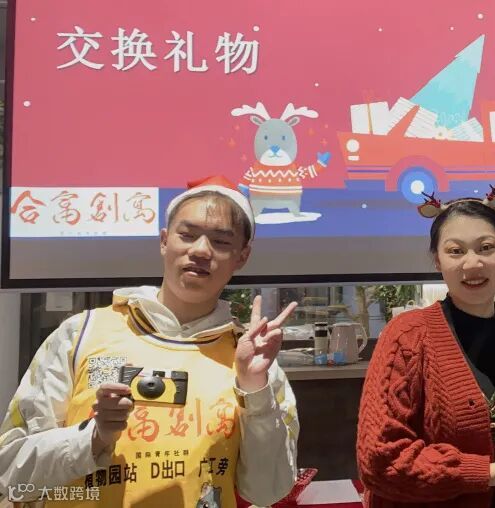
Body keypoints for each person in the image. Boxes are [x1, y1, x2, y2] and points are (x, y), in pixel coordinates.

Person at [0, 176, 300, 508]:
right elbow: (10, 472)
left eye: (220, 241)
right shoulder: (82, 334)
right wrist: (94, 437)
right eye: (187, 235)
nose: (201, 250)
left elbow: (268, 492)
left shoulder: (252, 363)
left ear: (242, 256)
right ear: (164, 240)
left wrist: (254, 388)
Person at [356, 186, 495, 508]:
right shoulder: (407, 337)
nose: (472, 263)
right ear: (437, 260)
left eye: (486, 248)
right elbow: (380, 461)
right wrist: (489, 473)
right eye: (456, 251)